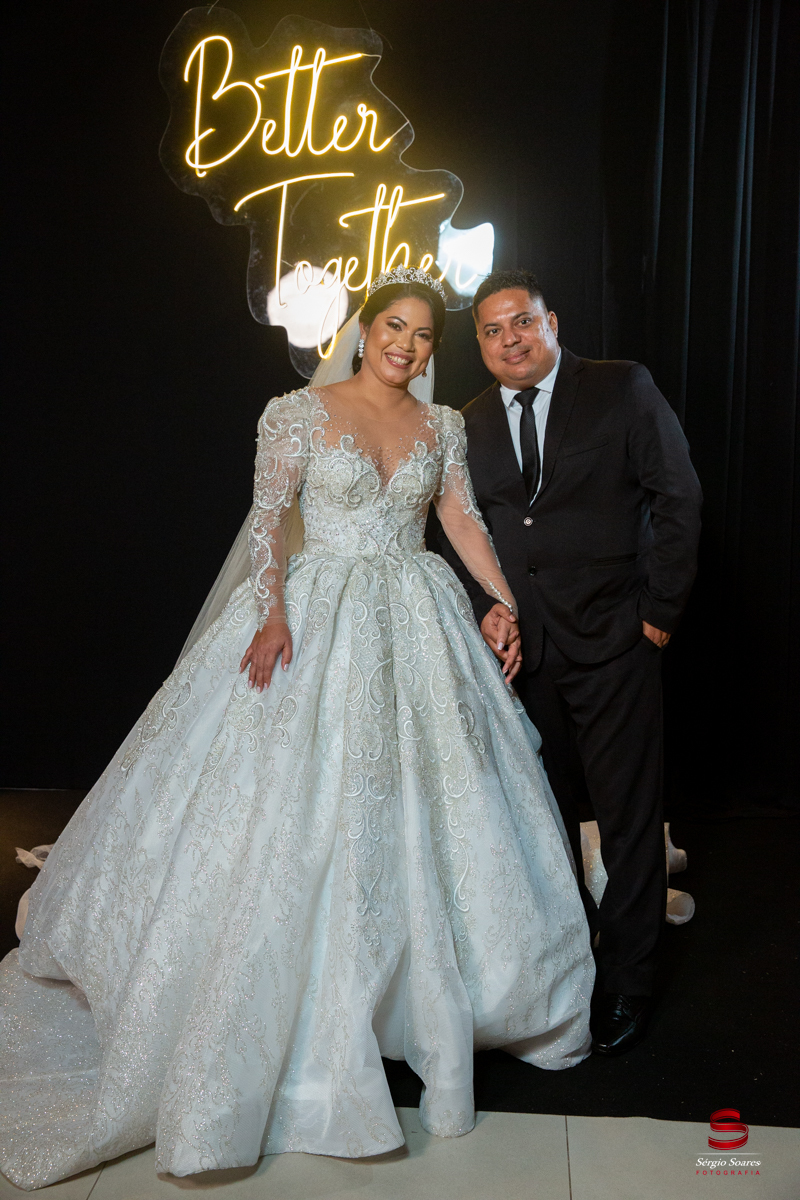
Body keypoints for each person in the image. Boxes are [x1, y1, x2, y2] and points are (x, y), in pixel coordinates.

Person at [0, 267, 594, 1191]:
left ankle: (434, 994)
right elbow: (271, 522)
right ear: (365, 330)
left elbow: (458, 516)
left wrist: (502, 600)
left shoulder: (442, 426)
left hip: (416, 611)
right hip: (315, 613)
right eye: (394, 327)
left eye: (423, 335)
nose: (406, 345)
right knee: (294, 804)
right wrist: (272, 614)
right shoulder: (297, 414)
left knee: (432, 805)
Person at [436, 268, 702, 1056]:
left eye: (522, 321)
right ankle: (569, 968)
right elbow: (459, 533)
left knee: (627, 820)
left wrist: (659, 616)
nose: (510, 339)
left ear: (551, 323)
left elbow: (678, 495)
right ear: (479, 342)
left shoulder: (621, 387)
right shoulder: (466, 423)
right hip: (523, 656)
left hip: (616, 640)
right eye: (492, 329)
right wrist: (485, 609)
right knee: (541, 822)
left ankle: (628, 982)